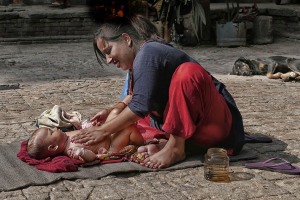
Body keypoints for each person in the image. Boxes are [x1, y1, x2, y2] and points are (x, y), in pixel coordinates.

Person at [71, 15, 245, 169]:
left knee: (187, 73)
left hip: (218, 126)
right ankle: (168, 143)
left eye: (108, 51)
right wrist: (111, 111)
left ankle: (175, 148)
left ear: (126, 39)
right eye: (104, 56)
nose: (108, 60)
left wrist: (103, 131)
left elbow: (140, 105)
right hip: (193, 132)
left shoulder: (149, 52)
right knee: (125, 119)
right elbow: (138, 96)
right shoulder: (138, 62)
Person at [27, 95, 145, 162]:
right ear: (53, 147)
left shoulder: (66, 135)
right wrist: (82, 152)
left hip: (105, 133)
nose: (55, 129)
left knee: (115, 112)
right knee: (127, 127)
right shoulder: (72, 150)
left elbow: (83, 131)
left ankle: (133, 97)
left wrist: (89, 125)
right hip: (111, 146)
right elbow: (92, 158)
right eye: (51, 132)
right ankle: (141, 143)